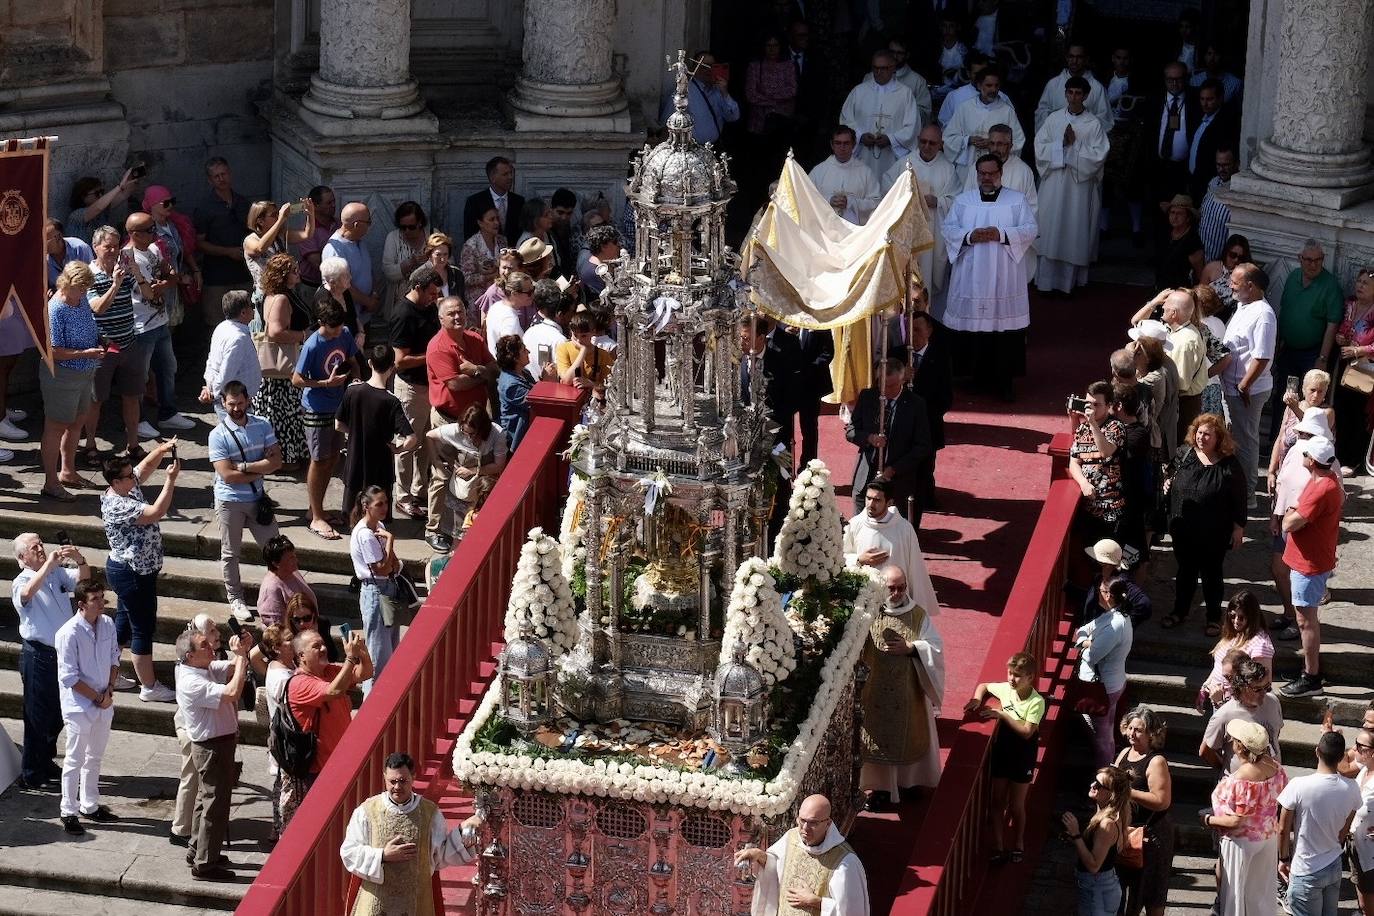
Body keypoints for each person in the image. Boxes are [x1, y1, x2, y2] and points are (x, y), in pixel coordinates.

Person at [340, 751, 484, 916]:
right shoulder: (367, 811)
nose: (397, 787)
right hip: (376, 902)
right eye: (392, 781)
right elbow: (349, 851)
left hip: (416, 902)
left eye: (403, 781)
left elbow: (441, 854)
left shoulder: (430, 813)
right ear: (384, 777)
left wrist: (463, 829)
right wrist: (382, 855)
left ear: (413, 777)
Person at [942, 154, 1038, 401]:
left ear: (1000, 174)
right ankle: (971, 378)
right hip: (970, 276)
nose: (986, 178)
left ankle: (1003, 382)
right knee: (971, 328)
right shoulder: (964, 201)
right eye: (982, 173)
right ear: (976, 174)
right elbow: (948, 229)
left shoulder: (1016, 201)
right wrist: (969, 237)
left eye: (991, 174)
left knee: (1003, 329)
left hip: (1003, 277)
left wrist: (1002, 234)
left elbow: (1031, 229)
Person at [859, 564, 944, 810]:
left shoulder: (918, 614)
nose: (897, 593)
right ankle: (883, 789)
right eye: (891, 588)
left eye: (902, 587)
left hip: (909, 693)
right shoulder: (869, 612)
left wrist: (913, 648)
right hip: (875, 692)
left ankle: (911, 782)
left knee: (910, 738)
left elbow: (935, 647)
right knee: (879, 742)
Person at [100, 445, 180, 702]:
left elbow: (142, 469)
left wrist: (162, 449)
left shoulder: (125, 485)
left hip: (135, 570)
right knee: (142, 628)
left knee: (123, 625)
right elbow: (156, 512)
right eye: (128, 476)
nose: (134, 478)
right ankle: (149, 686)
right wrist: (171, 480)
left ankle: (107, 673)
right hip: (132, 572)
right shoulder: (117, 503)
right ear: (116, 481)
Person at [174, 619, 252, 880]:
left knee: (204, 800)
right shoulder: (191, 681)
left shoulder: (201, 667)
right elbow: (232, 691)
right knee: (214, 805)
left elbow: (231, 667)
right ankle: (205, 864)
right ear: (190, 655)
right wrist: (241, 657)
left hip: (214, 743)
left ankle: (198, 848)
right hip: (212, 746)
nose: (211, 648)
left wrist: (242, 651)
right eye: (204, 646)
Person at [13, 534, 90, 790]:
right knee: (37, 715)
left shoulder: (55, 573)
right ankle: (31, 772)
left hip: (61, 654)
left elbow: (84, 581)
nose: (41, 548)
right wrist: (49, 566)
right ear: (23, 558)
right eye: (34, 547)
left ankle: (45, 760)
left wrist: (79, 559)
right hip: (38, 655)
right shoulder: (22, 580)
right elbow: (27, 593)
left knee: (58, 713)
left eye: (41, 544)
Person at [1161, 414, 1247, 631]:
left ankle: (1214, 617)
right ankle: (1179, 611)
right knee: (1185, 572)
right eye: (1199, 432)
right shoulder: (1185, 453)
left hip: (1215, 531)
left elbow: (1239, 497)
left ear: (1219, 437)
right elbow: (1169, 474)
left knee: (1212, 574)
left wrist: (1238, 527)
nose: (1202, 438)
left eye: (1207, 434)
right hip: (1184, 528)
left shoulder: (1229, 464)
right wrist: (1166, 484)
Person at [207, 379, 283, 621]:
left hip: (256, 497)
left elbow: (278, 461)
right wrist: (262, 468)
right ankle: (235, 598)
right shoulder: (217, 435)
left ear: (248, 400)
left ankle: (281, 588)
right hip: (230, 501)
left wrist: (246, 467)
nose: (237, 408)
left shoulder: (262, 425)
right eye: (232, 404)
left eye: (240, 403)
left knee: (275, 547)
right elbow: (227, 475)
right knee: (230, 552)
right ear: (223, 403)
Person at [426, 296, 497, 552]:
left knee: (469, 475)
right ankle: (434, 528)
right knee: (442, 474)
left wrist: (475, 369)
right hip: (447, 418)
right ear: (441, 318)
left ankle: (463, 525)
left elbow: (494, 369)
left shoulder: (475, 340)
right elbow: (454, 384)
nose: (457, 317)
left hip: (473, 422)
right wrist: (481, 375)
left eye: (460, 312)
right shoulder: (438, 348)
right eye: (451, 314)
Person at [53, 579, 121, 836]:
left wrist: (110, 690)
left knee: (95, 756)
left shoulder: (108, 624)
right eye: (96, 599)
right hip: (79, 706)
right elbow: (69, 678)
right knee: (74, 759)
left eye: (102, 597)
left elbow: (115, 657)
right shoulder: (67, 633)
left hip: (104, 700)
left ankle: (90, 805)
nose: (102, 603)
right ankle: (68, 810)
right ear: (81, 605)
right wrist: (97, 697)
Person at [1278, 435, 1345, 698]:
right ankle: (1310, 672)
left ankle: (1311, 676)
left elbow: (1289, 523)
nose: (1302, 456)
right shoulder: (1325, 481)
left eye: (1305, 454)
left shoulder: (1321, 488)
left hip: (1309, 564)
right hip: (1311, 559)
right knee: (1305, 618)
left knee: (1306, 621)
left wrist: (1290, 515)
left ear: (1313, 460)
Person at [966, 652, 1045, 864]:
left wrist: (1003, 715)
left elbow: (1027, 731)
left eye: (1017, 676)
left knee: (1017, 806)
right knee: (997, 801)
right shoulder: (1006, 689)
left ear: (1030, 677)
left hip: (1023, 754)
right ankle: (999, 846)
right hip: (1003, 751)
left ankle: (1018, 842)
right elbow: (984, 685)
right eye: (1010, 673)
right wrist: (976, 698)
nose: (1011, 679)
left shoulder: (1036, 702)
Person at [734, 794, 871, 916]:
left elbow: (852, 911)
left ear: (828, 823)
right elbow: (777, 869)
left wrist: (817, 902)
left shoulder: (845, 861)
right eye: (802, 820)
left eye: (813, 823)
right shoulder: (792, 837)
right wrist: (760, 856)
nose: (805, 828)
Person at [1033, 77, 1109, 295]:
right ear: (1065, 94)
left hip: (1078, 189)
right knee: (1049, 229)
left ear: (1085, 96)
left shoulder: (1093, 124)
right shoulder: (1053, 119)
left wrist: (1074, 147)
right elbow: (1039, 148)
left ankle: (1069, 284)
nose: (1074, 97)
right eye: (1070, 92)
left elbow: (1098, 157)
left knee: (1073, 231)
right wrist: (1060, 145)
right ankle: (1045, 283)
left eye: (1078, 93)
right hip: (1053, 186)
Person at [1205, 719, 1289, 916]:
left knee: (1234, 897)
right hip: (1268, 838)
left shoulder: (1239, 780)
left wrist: (1207, 820)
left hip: (1240, 841)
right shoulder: (1277, 768)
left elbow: (1236, 821)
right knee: (1261, 896)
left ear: (1239, 747)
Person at [293, 295, 359, 540]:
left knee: (332, 459)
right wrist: (324, 383)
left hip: (338, 404)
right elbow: (296, 379)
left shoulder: (344, 333)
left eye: (339, 327)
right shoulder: (313, 344)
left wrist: (355, 384)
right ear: (321, 322)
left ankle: (316, 508)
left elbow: (353, 361)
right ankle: (316, 516)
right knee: (318, 460)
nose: (337, 333)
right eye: (333, 329)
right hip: (316, 407)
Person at [1276, 731, 1361, 916]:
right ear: (1340, 758)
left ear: (1317, 752)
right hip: (1333, 865)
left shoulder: (1298, 785)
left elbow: (1282, 828)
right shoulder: (1353, 788)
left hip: (1305, 869)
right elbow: (1345, 828)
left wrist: (1283, 859)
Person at [40, 261, 105, 501]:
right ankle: (50, 482)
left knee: (77, 422)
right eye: (81, 288)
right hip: (62, 376)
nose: (84, 293)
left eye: (86, 288)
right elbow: (53, 350)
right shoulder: (56, 308)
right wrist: (86, 353)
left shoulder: (80, 299)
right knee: (55, 426)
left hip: (84, 373)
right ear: (66, 284)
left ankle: (68, 471)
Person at [287, 629, 372, 807]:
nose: (324, 648)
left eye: (323, 644)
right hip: (319, 771)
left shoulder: (329, 671)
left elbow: (365, 674)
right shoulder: (299, 683)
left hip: (342, 761)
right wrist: (349, 659)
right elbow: (334, 690)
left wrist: (362, 652)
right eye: (316, 646)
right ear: (301, 655)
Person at [81, 225, 145, 463]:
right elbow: (97, 307)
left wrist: (136, 272)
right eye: (107, 246)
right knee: (96, 399)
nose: (112, 251)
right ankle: (89, 445)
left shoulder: (124, 270)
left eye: (116, 246)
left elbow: (147, 295)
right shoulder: (88, 275)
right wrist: (115, 285)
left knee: (132, 396)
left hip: (129, 343)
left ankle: (133, 444)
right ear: (95, 247)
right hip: (102, 348)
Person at [1269, 404, 1334, 636]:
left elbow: (1333, 504)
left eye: (1308, 434)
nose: (1302, 437)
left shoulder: (1328, 463)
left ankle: (1300, 623)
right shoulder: (1297, 452)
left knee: (1300, 580)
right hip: (1286, 520)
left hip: (1306, 530)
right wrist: (1276, 517)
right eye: (1302, 433)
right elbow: (1283, 485)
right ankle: (1289, 613)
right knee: (1278, 570)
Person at [1271, 241, 1343, 441]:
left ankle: (1306, 442)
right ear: (1300, 259)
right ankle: (1278, 440)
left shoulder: (1330, 285)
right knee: (1284, 396)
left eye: (1318, 260)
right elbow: (1284, 311)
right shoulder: (1294, 277)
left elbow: (1332, 323)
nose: (1313, 264)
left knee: (1311, 399)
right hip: (1288, 350)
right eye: (1309, 260)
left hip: (1312, 353)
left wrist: (1323, 357)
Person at [336, 344, 418, 519]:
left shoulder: (353, 391)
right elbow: (411, 438)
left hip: (355, 461)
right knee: (378, 519)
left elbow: (338, 424)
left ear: (369, 363)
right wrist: (398, 449)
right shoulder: (391, 401)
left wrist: (356, 433)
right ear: (392, 367)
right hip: (380, 466)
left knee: (353, 516)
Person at [845, 358, 932, 519]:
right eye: (881, 385)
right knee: (860, 528)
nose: (884, 391)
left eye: (890, 386)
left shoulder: (915, 404)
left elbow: (923, 446)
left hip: (898, 481)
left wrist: (894, 469)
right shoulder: (868, 396)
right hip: (866, 475)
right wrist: (869, 438)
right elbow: (851, 431)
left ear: (902, 380)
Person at [882, 125, 959, 301]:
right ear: (917, 140)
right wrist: (905, 198)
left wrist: (939, 202)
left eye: (932, 143)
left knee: (929, 276)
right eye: (923, 141)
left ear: (941, 144)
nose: (926, 146)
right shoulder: (905, 163)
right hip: (908, 231)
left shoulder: (948, 169)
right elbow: (887, 186)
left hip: (933, 231)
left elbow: (957, 200)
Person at [1223, 263, 1278, 507]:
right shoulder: (1243, 306)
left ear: (1250, 286)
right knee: (1236, 438)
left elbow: (1262, 356)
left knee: (1245, 441)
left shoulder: (1263, 315)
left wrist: (1244, 386)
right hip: (1233, 386)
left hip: (1247, 389)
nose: (1230, 286)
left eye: (1234, 282)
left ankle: (1247, 496)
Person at [252, 253, 312, 470]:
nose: (298, 273)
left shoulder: (274, 295)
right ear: (283, 275)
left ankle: (285, 456)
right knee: (284, 416)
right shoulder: (281, 298)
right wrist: (304, 335)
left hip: (276, 373)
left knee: (279, 415)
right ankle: (285, 458)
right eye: (294, 270)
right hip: (282, 372)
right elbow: (276, 332)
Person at [1113, 707, 1175, 916]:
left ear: (1152, 734)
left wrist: (1127, 792)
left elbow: (1161, 801)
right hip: (1125, 831)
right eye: (1130, 728)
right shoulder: (1124, 753)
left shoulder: (1156, 761)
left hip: (1151, 836)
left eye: (1138, 730)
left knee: (1149, 892)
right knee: (1121, 890)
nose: (1132, 733)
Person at [427, 404, 508, 543]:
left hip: (483, 487)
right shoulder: (455, 430)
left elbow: (499, 465)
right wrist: (437, 463)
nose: (468, 437)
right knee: (458, 533)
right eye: (465, 432)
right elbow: (429, 436)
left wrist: (473, 471)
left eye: (472, 433)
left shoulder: (496, 434)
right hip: (462, 489)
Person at [1075, 577, 1134, 766]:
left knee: (1102, 736)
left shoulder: (1114, 625)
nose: (1097, 593)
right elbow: (1085, 628)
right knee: (1105, 730)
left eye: (1100, 590)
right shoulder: (1115, 616)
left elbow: (1091, 656)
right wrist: (1086, 640)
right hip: (1111, 682)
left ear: (1108, 595)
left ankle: (1103, 776)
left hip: (1103, 686)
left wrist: (1084, 644)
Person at [840, 50, 921, 182]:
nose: (878, 72)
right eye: (875, 68)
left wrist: (891, 139)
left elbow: (912, 127)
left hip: (891, 158)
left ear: (893, 68)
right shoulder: (859, 91)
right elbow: (845, 120)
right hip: (864, 156)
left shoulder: (905, 94)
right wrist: (860, 136)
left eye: (883, 68)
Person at [1060, 765, 1132, 916]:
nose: (1093, 785)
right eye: (1094, 781)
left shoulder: (1107, 823)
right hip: (1100, 886)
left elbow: (1094, 865)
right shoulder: (1107, 812)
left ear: (1111, 794)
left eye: (1099, 785)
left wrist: (1076, 834)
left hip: (1097, 889)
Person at [193, 157, 253, 328]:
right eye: (216, 176)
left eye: (224, 174)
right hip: (217, 277)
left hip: (243, 273)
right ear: (210, 180)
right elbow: (199, 243)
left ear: (230, 173)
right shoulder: (205, 207)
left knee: (247, 320)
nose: (221, 179)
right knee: (216, 323)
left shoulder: (243, 203)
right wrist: (227, 252)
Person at [942, 68, 1026, 183]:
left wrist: (993, 144)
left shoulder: (1007, 111)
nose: (993, 89)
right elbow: (948, 138)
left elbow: (1018, 141)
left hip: (994, 169)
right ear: (979, 85)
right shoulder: (965, 108)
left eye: (996, 85)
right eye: (989, 85)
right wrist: (968, 140)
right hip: (968, 167)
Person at [1069, 381, 1127, 545]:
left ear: (1109, 405)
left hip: (1110, 508)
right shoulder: (1083, 428)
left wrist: (1093, 423)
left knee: (1106, 556)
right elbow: (1074, 461)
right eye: (1088, 404)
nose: (1091, 409)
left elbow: (1105, 451)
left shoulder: (1116, 427)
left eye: (1097, 405)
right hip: (1087, 506)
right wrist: (1083, 483)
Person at [1200, 658, 1284, 772]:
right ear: (1241, 687)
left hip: (1273, 781)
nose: (1264, 693)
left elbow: (1275, 734)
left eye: (1267, 687)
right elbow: (1205, 751)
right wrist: (1227, 771)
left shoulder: (1273, 701)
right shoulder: (1224, 715)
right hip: (1240, 785)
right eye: (1257, 689)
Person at [1202, 592, 1275, 711]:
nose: (1236, 621)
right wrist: (1205, 687)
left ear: (1251, 617)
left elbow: (1262, 686)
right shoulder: (1234, 633)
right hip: (1218, 698)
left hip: (1235, 707)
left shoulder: (1260, 645)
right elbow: (1219, 666)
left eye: (1241, 617)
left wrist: (1222, 702)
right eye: (1232, 616)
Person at [257, 624, 295, 843]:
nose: (294, 641)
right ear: (277, 648)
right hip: (287, 741)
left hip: (281, 739)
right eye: (289, 639)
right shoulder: (282, 677)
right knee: (285, 788)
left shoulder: (276, 666)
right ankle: (281, 830)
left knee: (281, 784)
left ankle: (277, 828)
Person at [1334, 267, 1374, 469]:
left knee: (1358, 413)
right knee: (1341, 410)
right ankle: (1338, 455)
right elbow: (1343, 327)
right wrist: (1340, 337)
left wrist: (1359, 351)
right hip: (1344, 364)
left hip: (1365, 368)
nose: (1360, 285)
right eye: (1359, 281)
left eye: (1366, 283)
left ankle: (1353, 460)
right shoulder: (1350, 304)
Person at [661, 50, 740, 146]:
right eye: (704, 67)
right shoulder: (685, 91)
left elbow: (733, 116)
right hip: (693, 149)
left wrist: (725, 93)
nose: (709, 70)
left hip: (714, 147)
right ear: (695, 68)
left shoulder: (718, 90)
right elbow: (668, 123)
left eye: (712, 66)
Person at [200, 290, 261, 414]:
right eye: (251, 306)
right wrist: (213, 393)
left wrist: (209, 386)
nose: (254, 309)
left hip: (232, 400)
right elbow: (226, 373)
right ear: (243, 312)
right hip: (236, 404)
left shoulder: (221, 327)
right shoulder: (238, 338)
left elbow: (212, 361)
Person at [323, 203, 378, 337]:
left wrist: (374, 295)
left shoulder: (359, 241)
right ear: (356, 225)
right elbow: (342, 286)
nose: (370, 225)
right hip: (348, 321)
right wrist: (368, 302)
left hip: (364, 318)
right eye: (368, 221)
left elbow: (368, 271)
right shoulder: (334, 250)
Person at [243, 198, 315, 299]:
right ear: (260, 221)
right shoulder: (250, 240)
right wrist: (281, 219)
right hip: (266, 294)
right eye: (273, 215)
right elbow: (260, 248)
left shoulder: (280, 235)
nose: (277, 217)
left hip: (285, 290)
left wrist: (310, 214)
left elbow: (306, 235)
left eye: (278, 213)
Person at [1034, 45, 1113, 135]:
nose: (1074, 61)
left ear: (1086, 59)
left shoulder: (1097, 88)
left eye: (1079, 57)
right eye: (1071, 56)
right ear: (1066, 58)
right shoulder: (1053, 84)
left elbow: (1106, 120)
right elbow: (1041, 113)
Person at [809, 126, 880, 224]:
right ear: (832, 145)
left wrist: (851, 202)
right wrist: (829, 200)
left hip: (854, 231)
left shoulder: (865, 172)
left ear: (854, 145)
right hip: (825, 228)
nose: (842, 148)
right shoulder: (819, 171)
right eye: (838, 143)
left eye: (846, 143)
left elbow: (876, 203)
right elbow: (807, 197)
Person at [1080, 539, 1152, 625]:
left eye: (1097, 562)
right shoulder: (1101, 578)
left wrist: (1125, 623)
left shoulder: (1120, 582)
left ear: (1106, 564)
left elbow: (1144, 604)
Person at [379, 201, 430, 321]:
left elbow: (447, 264)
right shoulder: (393, 238)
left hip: (428, 304)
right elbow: (388, 271)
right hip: (400, 306)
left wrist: (429, 263)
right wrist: (408, 264)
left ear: (420, 223)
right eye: (403, 227)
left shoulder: (432, 235)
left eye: (411, 227)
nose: (407, 231)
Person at [743, 33, 798, 136]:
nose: (772, 49)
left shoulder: (789, 66)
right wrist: (775, 101)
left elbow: (792, 90)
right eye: (769, 45)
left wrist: (768, 95)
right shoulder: (754, 67)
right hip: (759, 123)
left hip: (783, 120)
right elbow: (751, 95)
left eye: (775, 45)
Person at [555, 313, 616, 404]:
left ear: (593, 332)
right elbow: (567, 380)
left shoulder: (603, 354)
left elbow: (609, 385)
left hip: (592, 405)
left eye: (584, 336)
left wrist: (591, 384)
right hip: (569, 402)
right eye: (575, 335)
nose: (579, 340)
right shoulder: (563, 349)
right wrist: (583, 351)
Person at [64, 169, 138, 243]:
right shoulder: (76, 215)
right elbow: (98, 207)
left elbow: (124, 195)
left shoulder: (102, 211)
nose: (100, 195)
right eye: (96, 193)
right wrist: (119, 187)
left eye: (102, 192)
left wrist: (132, 180)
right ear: (83, 196)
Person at [462, 157, 524, 241]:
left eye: (511, 173)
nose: (510, 177)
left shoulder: (519, 201)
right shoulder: (475, 202)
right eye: (505, 174)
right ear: (492, 178)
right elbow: (470, 235)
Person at [523, 280, 571, 380]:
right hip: (549, 392)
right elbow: (564, 377)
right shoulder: (560, 341)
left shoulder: (529, 332)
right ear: (560, 314)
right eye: (571, 312)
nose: (572, 317)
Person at [495, 335, 536, 453]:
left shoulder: (524, 372)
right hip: (516, 438)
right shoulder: (510, 385)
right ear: (515, 358)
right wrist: (547, 381)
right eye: (524, 350)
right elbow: (535, 403)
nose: (528, 351)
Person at [1154, 195, 1205, 290]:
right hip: (1161, 288)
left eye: (1179, 213)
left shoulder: (1192, 241)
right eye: (1172, 213)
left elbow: (1199, 273)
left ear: (1188, 217)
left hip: (1180, 292)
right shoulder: (1165, 234)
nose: (1175, 217)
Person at [1198, 150, 1239, 265]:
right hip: (1201, 257)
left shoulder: (1239, 190)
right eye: (1218, 165)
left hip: (1219, 263)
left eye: (1226, 165)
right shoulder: (1213, 182)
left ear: (1236, 164)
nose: (1221, 169)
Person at [461, 206, 507, 306]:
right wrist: (490, 276)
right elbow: (466, 278)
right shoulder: (471, 246)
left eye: (497, 219)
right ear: (480, 223)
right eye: (491, 219)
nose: (496, 223)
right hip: (478, 300)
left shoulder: (502, 241)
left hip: (500, 297)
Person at [1350, 728, 1374, 916]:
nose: (1354, 749)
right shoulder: (1364, 770)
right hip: (1356, 845)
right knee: (1362, 891)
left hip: (1371, 853)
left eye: (1360, 746)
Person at [297, 185, 339, 290]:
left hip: (334, 284)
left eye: (334, 201)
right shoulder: (307, 230)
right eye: (329, 203)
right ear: (315, 206)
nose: (333, 205)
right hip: (313, 286)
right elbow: (317, 262)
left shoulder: (338, 224)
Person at [485, 270, 533, 355]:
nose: (532, 295)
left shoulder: (496, 307)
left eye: (533, 290)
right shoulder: (510, 320)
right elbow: (509, 353)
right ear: (514, 294)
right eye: (529, 292)